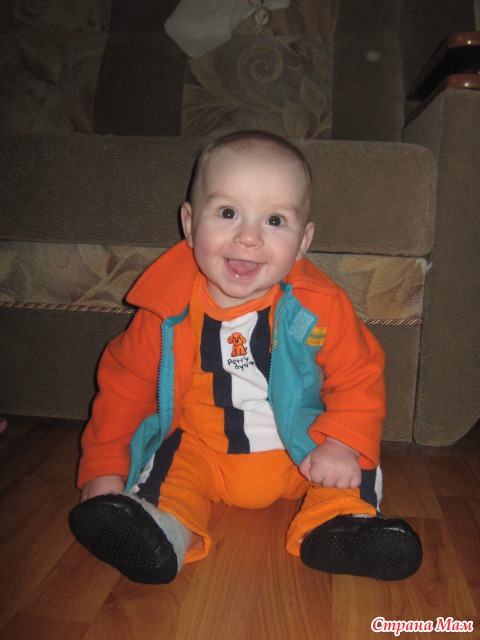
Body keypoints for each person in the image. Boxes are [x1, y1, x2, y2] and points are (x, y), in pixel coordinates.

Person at [69, 131, 422, 584]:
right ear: (189, 224)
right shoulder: (163, 312)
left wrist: (342, 443)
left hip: (301, 448)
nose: (249, 237)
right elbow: (123, 391)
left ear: (303, 241)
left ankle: (342, 525)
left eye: (275, 220)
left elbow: (358, 374)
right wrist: (102, 471)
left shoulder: (318, 307)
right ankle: (161, 533)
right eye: (228, 213)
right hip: (201, 448)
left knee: (358, 466)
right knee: (165, 476)